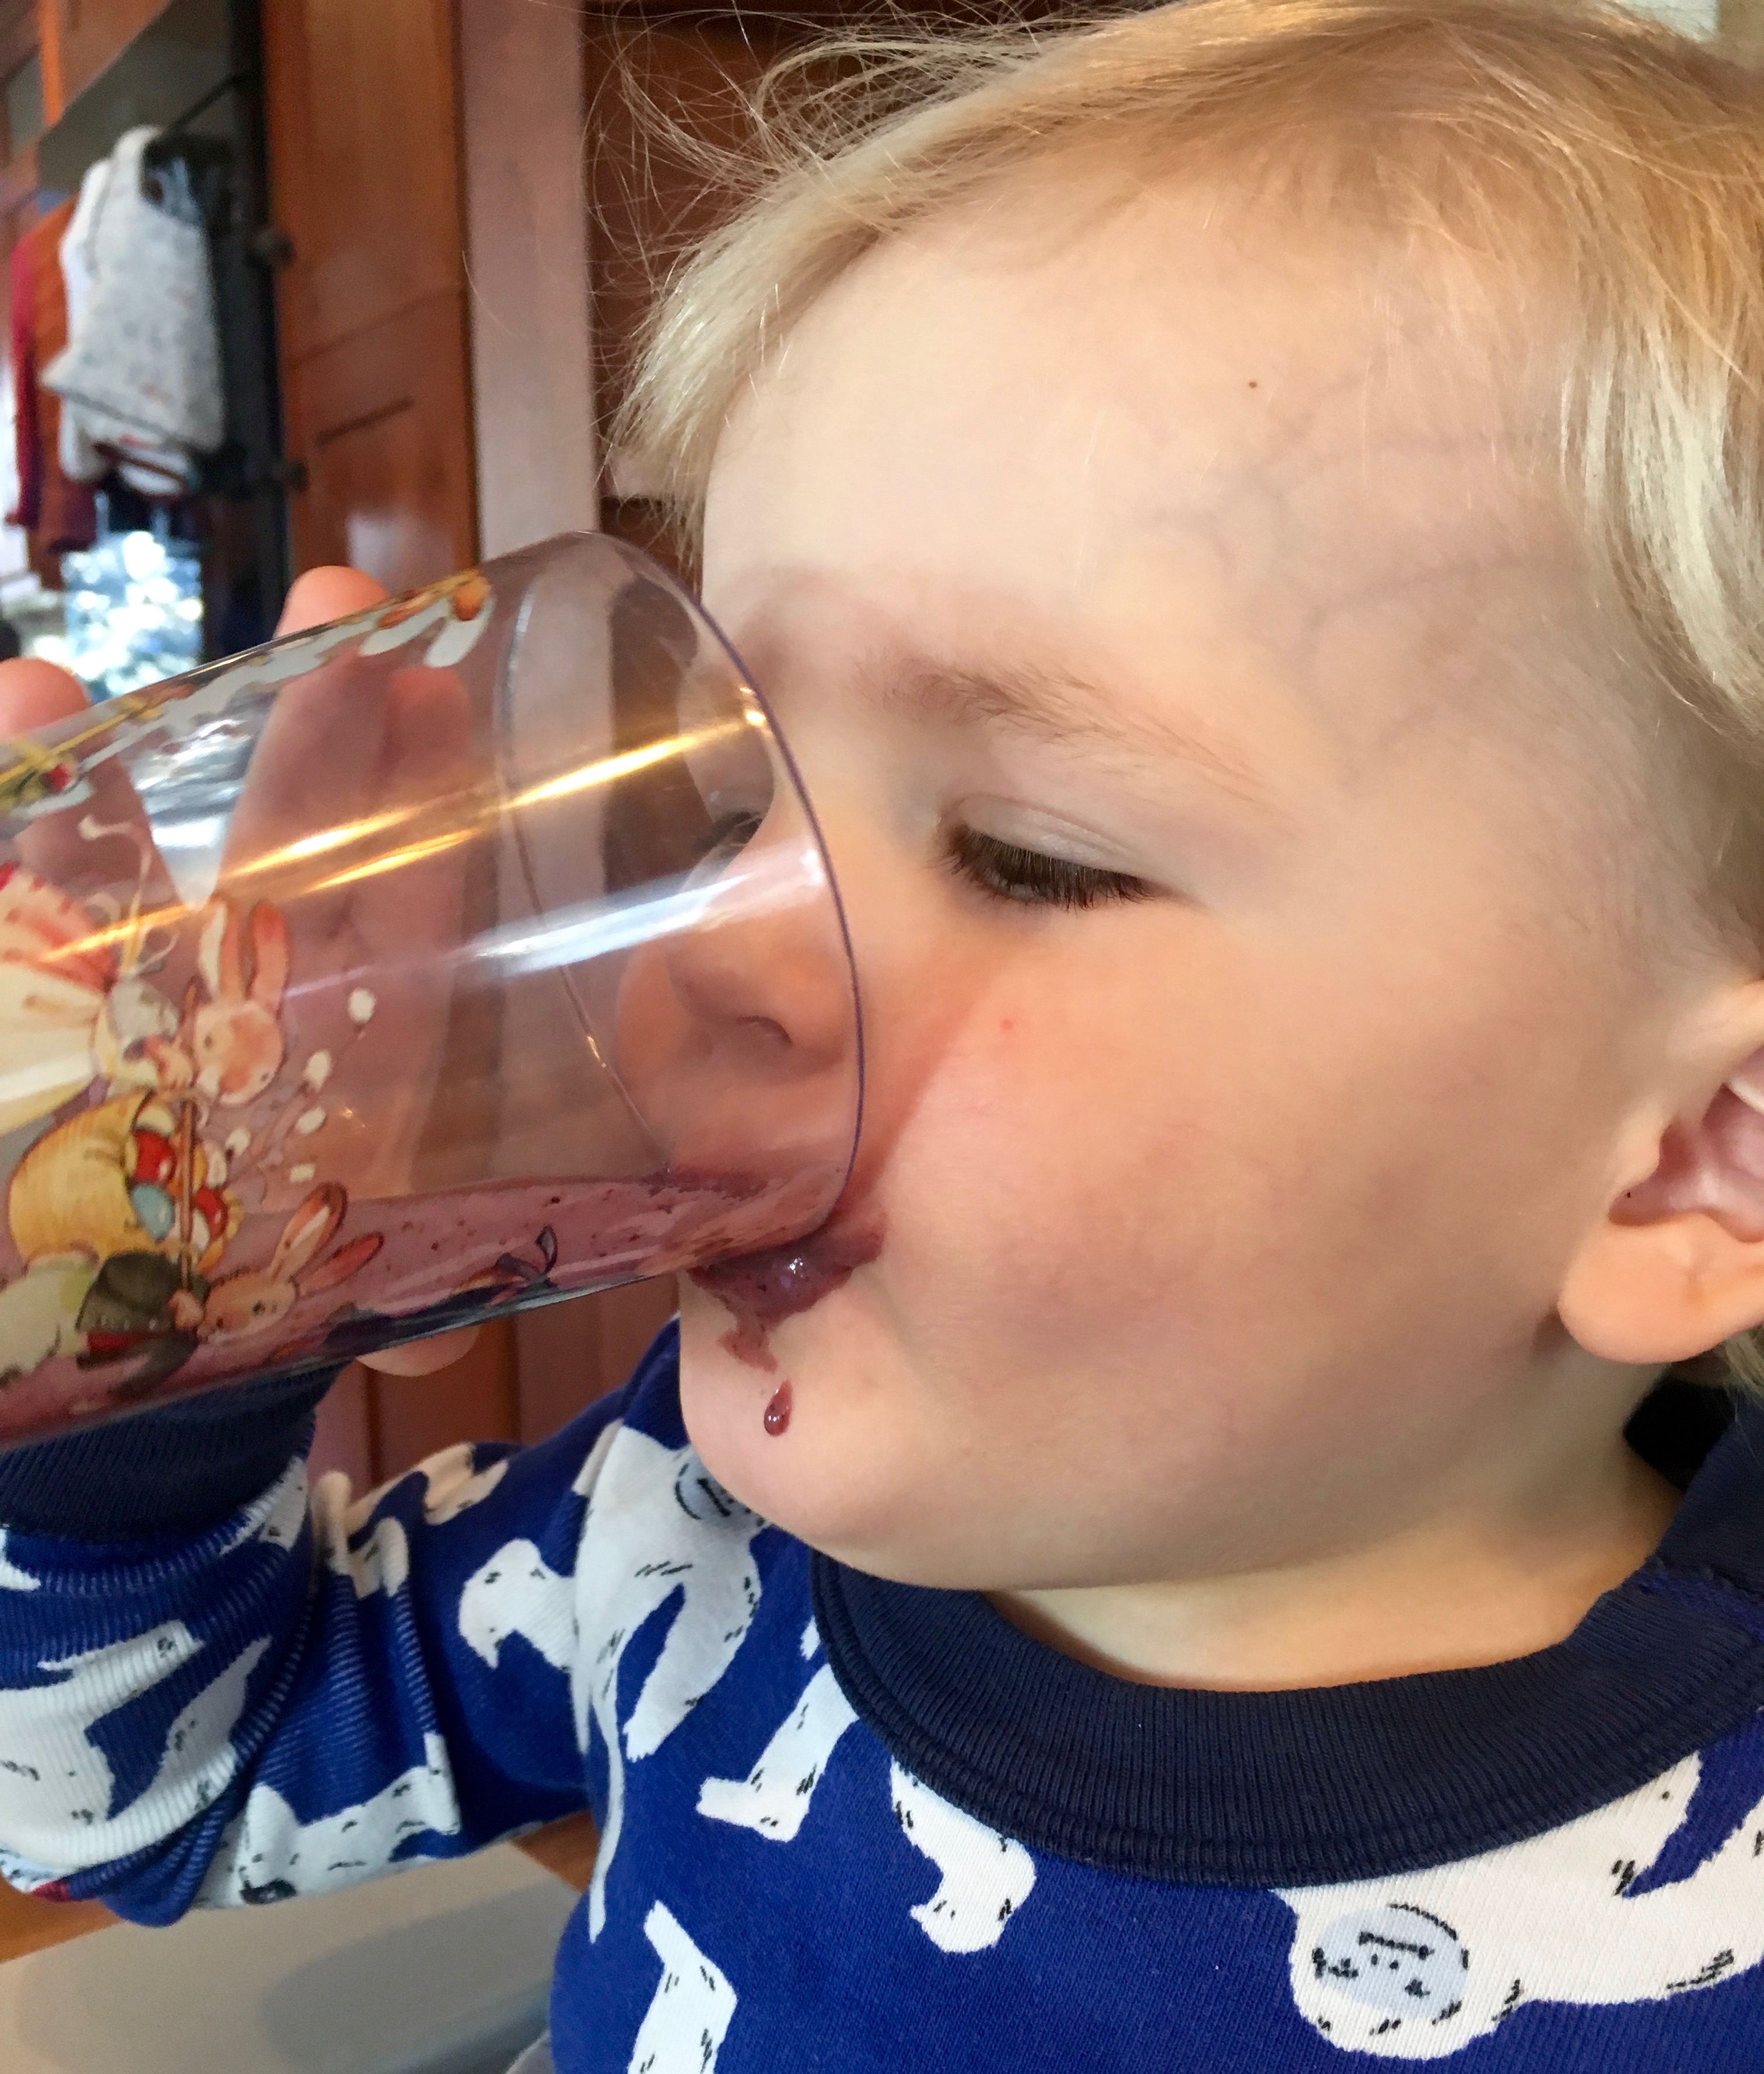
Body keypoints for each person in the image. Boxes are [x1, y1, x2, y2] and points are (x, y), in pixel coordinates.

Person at [4, 0, 1764, 2064]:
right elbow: (155, 1780)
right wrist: (169, 1272)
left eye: (1027, 855)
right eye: (717, 799)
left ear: (1685, 1164)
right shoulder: (681, 1534)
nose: (700, 953)